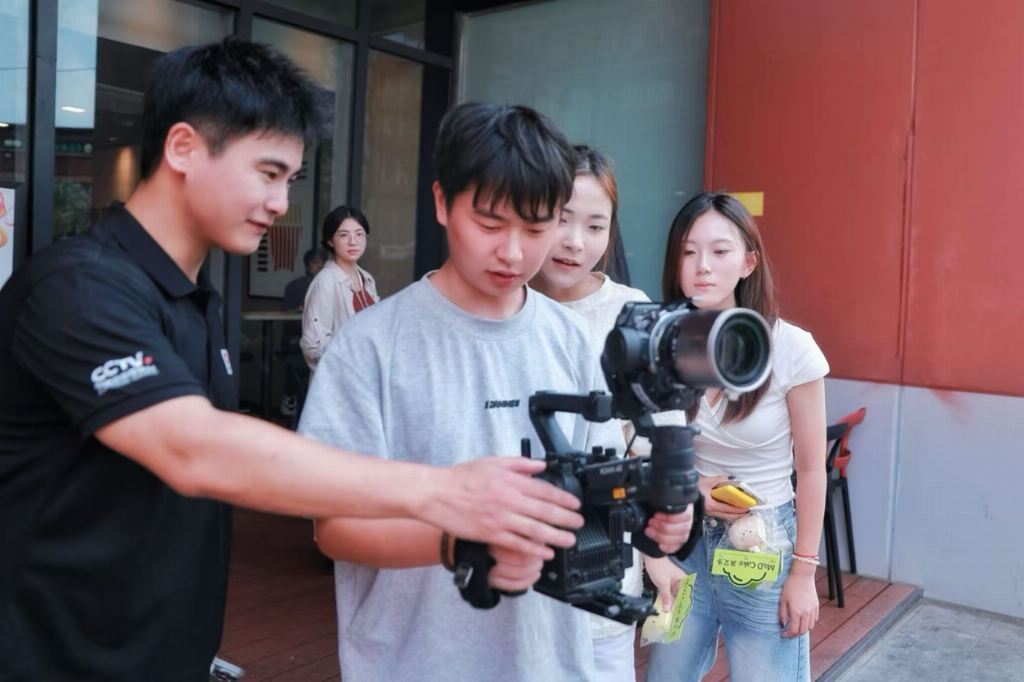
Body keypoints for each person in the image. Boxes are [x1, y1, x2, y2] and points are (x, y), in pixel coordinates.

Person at [0, 41, 585, 682]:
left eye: (290, 180)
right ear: (183, 148)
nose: (282, 203)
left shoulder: (192, 303)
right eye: (268, 173)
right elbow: (195, 450)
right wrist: (447, 493)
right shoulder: (80, 288)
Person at [299, 103, 694, 682]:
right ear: (442, 202)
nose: (513, 252)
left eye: (536, 229)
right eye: (489, 225)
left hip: (549, 661)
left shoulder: (574, 341)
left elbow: (598, 496)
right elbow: (334, 529)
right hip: (415, 663)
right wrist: (460, 542)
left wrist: (651, 520)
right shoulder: (370, 346)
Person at [644, 192, 829, 682]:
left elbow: (812, 470)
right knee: (665, 674)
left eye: (719, 251)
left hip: (761, 542)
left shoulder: (791, 349)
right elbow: (645, 453)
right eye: (688, 251)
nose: (702, 265)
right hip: (684, 538)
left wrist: (804, 573)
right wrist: (691, 490)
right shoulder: (660, 344)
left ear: (749, 262)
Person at [528, 145, 689, 682]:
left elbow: (657, 442)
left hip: (601, 562)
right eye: (562, 218)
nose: (576, 241)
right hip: (513, 561)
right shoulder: (500, 302)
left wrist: (656, 551)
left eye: (595, 226)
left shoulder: (629, 311)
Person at [300, 207, 379, 370]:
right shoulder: (326, 282)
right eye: (343, 235)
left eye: (359, 234)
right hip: (341, 380)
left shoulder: (367, 279)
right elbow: (312, 347)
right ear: (330, 240)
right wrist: (353, 355)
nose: (353, 241)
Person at [281, 247, 327, 418]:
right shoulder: (295, 287)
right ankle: (291, 397)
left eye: (323, 263)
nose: (320, 266)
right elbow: (286, 318)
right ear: (307, 266)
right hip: (298, 340)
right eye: (315, 263)